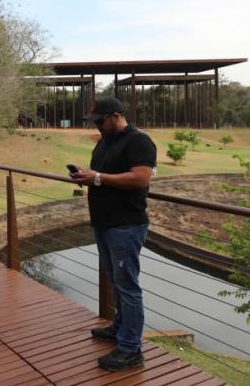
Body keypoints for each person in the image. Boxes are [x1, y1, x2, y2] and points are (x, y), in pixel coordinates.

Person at [69, 97, 156, 372]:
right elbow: (101, 174)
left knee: (128, 286)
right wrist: (87, 176)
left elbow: (141, 178)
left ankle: (131, 349)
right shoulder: (104, 142)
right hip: (104, 224)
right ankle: (119, 327)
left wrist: (98, 178)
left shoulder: (139, 141)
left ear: (116, 116)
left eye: (100, 120)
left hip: (126, 225)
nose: (97, 125)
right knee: (115, 280)